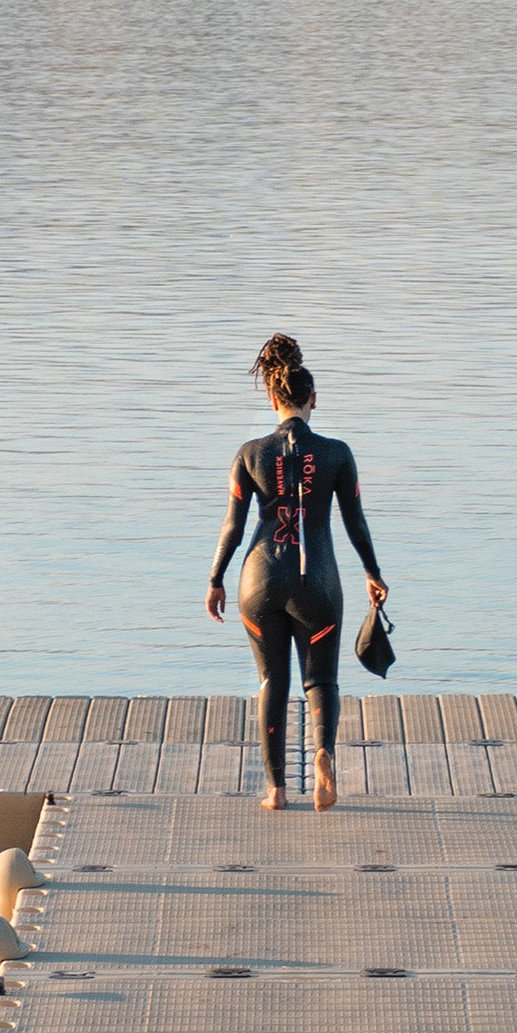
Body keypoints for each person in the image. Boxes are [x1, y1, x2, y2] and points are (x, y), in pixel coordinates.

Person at [205, 334, 387, 812]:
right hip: (318, 583)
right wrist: (373, 572)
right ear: (313, 399)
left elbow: (233, 525)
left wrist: (215, 578)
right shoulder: (337, 453)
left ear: (272, 398)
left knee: (272, 682)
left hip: (259, 581)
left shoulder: (249, 453)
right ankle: (323, 754)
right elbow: (355, 521)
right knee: (320, 679)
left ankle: (277, 791)